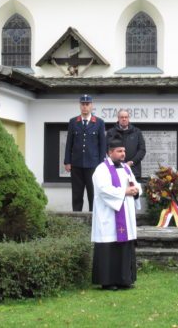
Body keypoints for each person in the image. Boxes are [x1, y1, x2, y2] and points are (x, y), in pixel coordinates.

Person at [91, 134, 142, 291]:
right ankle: (108, 281)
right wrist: (124, 191)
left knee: (124, 247)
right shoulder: (101, 170)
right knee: (109, 248)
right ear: (110, 152)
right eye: (119, 151)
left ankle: (125, 279)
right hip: (108, 217)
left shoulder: (126, 168)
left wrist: (136, 190)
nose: (123, 154)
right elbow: (103, 190)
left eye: (124, 151)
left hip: (124, 217)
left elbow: (135, 183)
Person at [64, 94, 106, 212]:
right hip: (76, 164)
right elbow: (69, 143)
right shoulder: (73, 122)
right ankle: (77, 220)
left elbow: (102, 145)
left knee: (93, 193)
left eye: (87, 104)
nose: (85, 107)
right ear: (80, 105)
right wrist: (67, 161)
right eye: (83, 104)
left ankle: (93, 218)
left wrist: (101, 163)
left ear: (91, 106)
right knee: (77, 193)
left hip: (93, 165)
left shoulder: (99, 122)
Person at [106, 109, 146, 179]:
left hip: (134, 169)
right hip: (116, 169)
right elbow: (107, 149)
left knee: (134, 189)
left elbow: (142, 150)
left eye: (126, 117)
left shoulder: (137, 132)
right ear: (118, 118)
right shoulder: (111, 132)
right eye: (122, 117)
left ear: (128, 118)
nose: (124, 119)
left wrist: (132, 162)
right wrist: (119, 162)